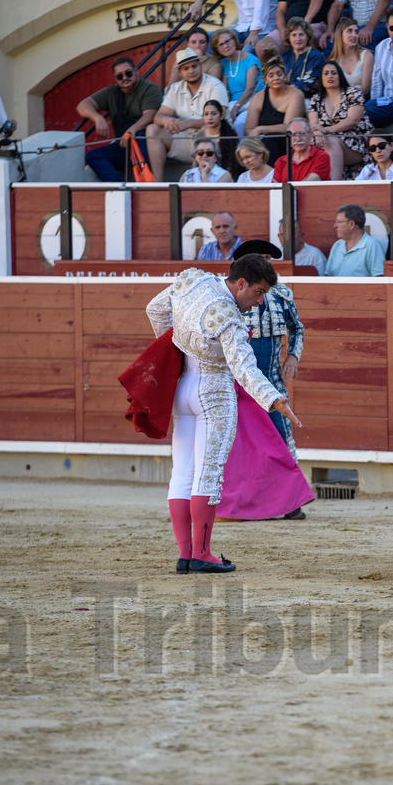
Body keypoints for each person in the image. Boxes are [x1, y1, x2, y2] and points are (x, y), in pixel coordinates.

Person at [145, 254, 300, 573]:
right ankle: (202, 553)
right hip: (213, 393)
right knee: (208, 473)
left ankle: (185, 555)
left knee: (182, 473)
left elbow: (156, 309)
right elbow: (244, 368)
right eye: (258, 292)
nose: (259, 302)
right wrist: (273, 398)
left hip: (183, 388)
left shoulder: (193, 281)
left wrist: (175, 348)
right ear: (241, 283)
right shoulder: (227, 314)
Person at [239, 241, 306, 485]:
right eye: (261, 258)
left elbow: (297, 327)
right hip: (239, 384)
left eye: (269, 258)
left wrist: (293, 355)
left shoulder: (282, 293)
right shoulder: (235, 293)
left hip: (272, 381)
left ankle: (291, 500)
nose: (267, 263)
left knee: (283, 437)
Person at [147, 49, 230, 180]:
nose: (191, 71)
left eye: (194, 66)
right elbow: (158, 116)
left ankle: (204, 178)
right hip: (187, 141)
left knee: (205, 129)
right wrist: (167, 121)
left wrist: (188, 123)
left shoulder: (214, 85)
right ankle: (158, 184)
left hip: (216, 141)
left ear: (201, 66)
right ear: (180, 72)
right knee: (152, 129)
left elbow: (221, 117)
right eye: (186, 68)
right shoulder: (175, 88)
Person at [77, 57, 161, 182]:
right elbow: (82, 105)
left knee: (141, 134)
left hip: (146, 146)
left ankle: (143, 183)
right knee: (92, 156)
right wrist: (98, 118)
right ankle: (120, 185)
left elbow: (150, 116)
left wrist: (131, 130)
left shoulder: (149, 88)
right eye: (120, 76)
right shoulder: (112, 93)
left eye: (128, 73)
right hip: (123, 147)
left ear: (136, 71)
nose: (125, 78)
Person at [308, 61, 375, 180]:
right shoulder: (316, 99)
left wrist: (326, 130)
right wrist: (318, 132)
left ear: (340, 76)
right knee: (305, 142)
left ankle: (332, 187)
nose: (330, 76)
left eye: (334, 73)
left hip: (356, 142)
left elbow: (353, 120)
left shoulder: (353, 93)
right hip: (325, 140)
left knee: (331, 141)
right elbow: (313, 123)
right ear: (321, 78)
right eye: (326, 73)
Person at [245, 59, 306, 165]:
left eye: (279, 74)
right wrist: (257, 137)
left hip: (290, 141)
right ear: (265, 79)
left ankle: (271, 178)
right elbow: (249, 129)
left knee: (269, 139)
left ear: (285, 76)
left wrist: (261, 129)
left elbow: (289, 127)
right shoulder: (259, 97)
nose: (276, 78)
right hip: (263, 142)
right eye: (271, 75)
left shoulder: (296, 95)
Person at [213, 28, 262, 132]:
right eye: (221, 44)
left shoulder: (251, 59)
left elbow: (250, 88)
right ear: (217, 49)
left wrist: (236, 107)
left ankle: (239, 148)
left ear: (234, 40)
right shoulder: (227, 64)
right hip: (233, 104)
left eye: (227, 41)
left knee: (239, 123)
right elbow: (224, 91)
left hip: (252, 102)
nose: (225, 46)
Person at [189, 0, 269, 53]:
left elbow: (261, 8)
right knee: (209, 38)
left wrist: (253, 33)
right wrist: (197, 3)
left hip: (262, 29)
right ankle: (216, 69)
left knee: (245, 54)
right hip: (242, 28)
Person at [322, 0, 393, 51]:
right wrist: (330, 30)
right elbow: (337, 5)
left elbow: (384, 0)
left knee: (366, 39)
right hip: (357, 28)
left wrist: (369, 27)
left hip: (381, 24)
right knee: (329, 42)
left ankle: (370, 66)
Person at [326, 204, 388, 276]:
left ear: (351, 224)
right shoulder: (337, 246)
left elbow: (379, 279)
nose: (335, 226)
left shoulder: (372, 246)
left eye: (338, 222)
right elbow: (328, 276)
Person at [328, 17, 377, 97]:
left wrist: (347, 98)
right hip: (340, 103)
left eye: (356, 32)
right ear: (340, 34)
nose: (354, 35)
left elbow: (365, 89)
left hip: (361, 101)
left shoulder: (367, 56)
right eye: (349, 31)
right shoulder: (333, 61)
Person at [282, 18, 329, 93]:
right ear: (289, 38)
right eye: (294, 35)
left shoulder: (316, 56)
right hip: (283, 96)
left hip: (307, 99)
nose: (298, 39)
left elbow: (311, 82)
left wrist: (284, 89)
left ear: (308, 36)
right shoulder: (284, 56)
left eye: (301, 34)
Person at [197, 100, 241, 178]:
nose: (209, 118)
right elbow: (195, 160)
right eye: (206, 114)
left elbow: (231, 163)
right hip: (202, 174)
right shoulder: (200, 135)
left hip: (224, 176)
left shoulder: (230, 135)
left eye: (214, 114)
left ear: (221, 115)